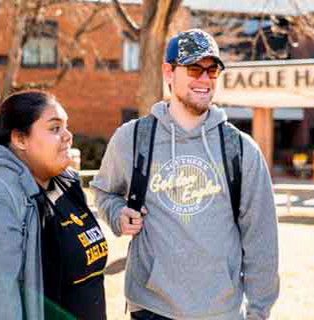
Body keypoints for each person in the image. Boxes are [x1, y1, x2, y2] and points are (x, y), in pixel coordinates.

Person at [91, 29, 279, 320]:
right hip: (152, 308)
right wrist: (118, 213)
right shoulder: (133, 139)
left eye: (212, 70)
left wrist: (258, 312)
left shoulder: (241, 150)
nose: (205, 79)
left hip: (220, 312)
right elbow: (104, 191)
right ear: (168, 72)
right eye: (194, 69)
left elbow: (262, 238)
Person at [0, 91, 108, 320]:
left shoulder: (66, 183)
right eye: (55, 128)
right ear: (20, 139)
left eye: (66, 126)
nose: (68, 136)